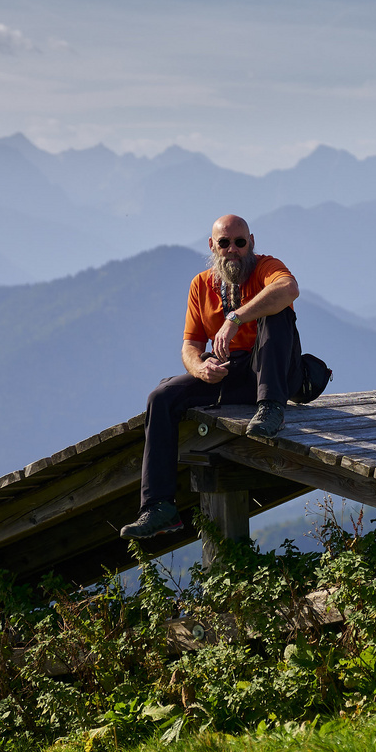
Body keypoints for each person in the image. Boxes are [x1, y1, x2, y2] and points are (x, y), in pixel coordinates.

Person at [120, 214, 302, 539]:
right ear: (212, 246)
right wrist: (201, 369)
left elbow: (288, 288)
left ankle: (272, 407)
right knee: (161, 398)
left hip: (271, 372)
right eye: (224, 243)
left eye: (240, 242)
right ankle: (159, 508)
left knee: (278, 314)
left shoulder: (265, 268)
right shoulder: (200, 284)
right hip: (228, 374)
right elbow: (190, 346)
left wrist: (235, 317)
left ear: (251, 243)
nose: (233, 250)